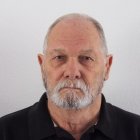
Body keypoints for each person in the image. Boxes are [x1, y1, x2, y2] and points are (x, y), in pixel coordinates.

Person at [0, 13, 140, 140]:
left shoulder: (136, 131)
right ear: (42, 66)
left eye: (86, 58)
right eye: (59, 57)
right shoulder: (5, 132)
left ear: (107, 67)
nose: (72, 72)